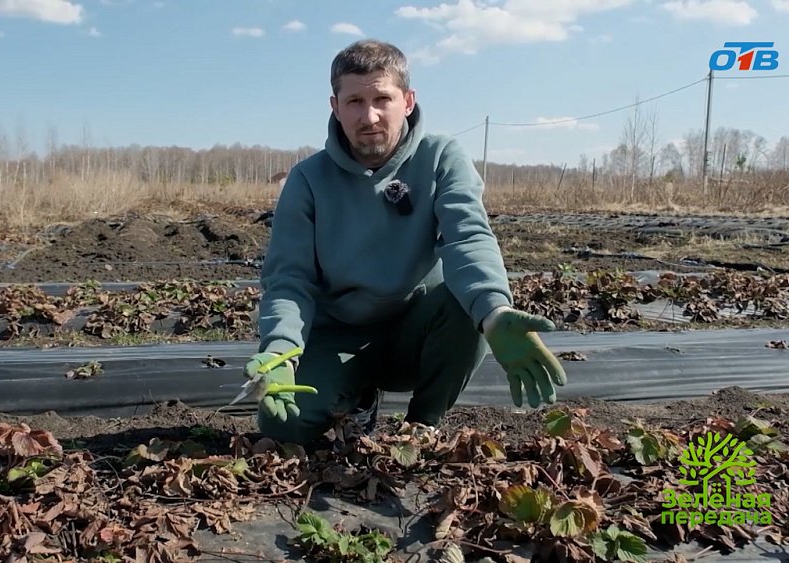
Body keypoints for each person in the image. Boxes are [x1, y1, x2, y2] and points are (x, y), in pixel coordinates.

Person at [242, 39, 567, 445]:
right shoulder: (308, 179)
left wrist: (496, 312)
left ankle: (422, 426)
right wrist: (281, 349)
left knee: (465, 304)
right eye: (355, 101)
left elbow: (467, 235)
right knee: (283, 424)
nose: (370, 115)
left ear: (408, 101)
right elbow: (289, 277)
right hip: (338, 336)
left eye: (383, 98)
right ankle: (355, 398)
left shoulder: (440, 156)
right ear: (335, 107)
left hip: (414, 332)